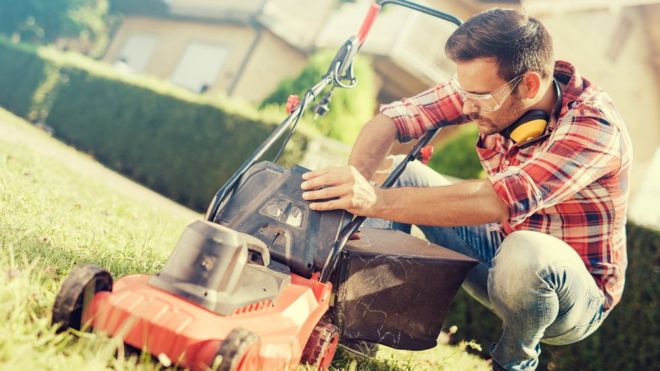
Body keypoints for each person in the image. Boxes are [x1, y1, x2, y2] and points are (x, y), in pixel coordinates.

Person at [300, 8, 632, 370]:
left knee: (526, 252)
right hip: (499, 250)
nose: (467, 104)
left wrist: (375, 200)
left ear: (530, 86)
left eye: (479, 96)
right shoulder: (488, 86)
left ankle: (513, 361)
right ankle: (364, 330)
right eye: (463, 91)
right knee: (402, 172)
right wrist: (354, 189)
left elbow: (498, 200)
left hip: (573, 298)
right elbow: (391, 120)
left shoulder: (594, 127)